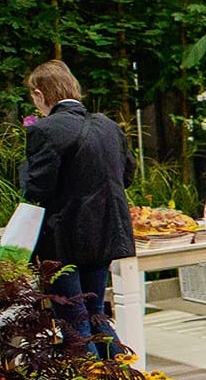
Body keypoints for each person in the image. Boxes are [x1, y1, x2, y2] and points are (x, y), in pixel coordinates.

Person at [20, 60, 135, 356]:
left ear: (39, 93)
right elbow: (127, 176)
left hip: (64, 241)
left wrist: (25, 167)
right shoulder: (109, 127)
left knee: (74, 322)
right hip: (107, 234)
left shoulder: (45, 130)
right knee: (96, 313)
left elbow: (36, 188)